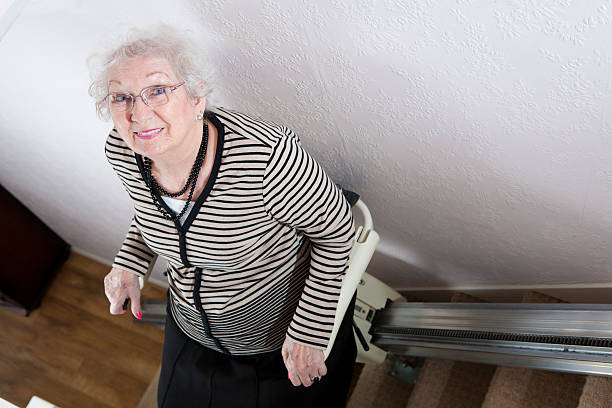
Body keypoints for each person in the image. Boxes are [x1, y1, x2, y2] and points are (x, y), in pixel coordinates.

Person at [89, 25, 356, 408]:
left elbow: (337, 231)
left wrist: (308, 329)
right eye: (121, 97)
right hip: (191, 329)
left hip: (276, 337)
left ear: (197, 98)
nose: (138, 113)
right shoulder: (122, 150)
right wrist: (130, 262)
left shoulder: (266, 158)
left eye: (158, 90)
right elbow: (152, 214)